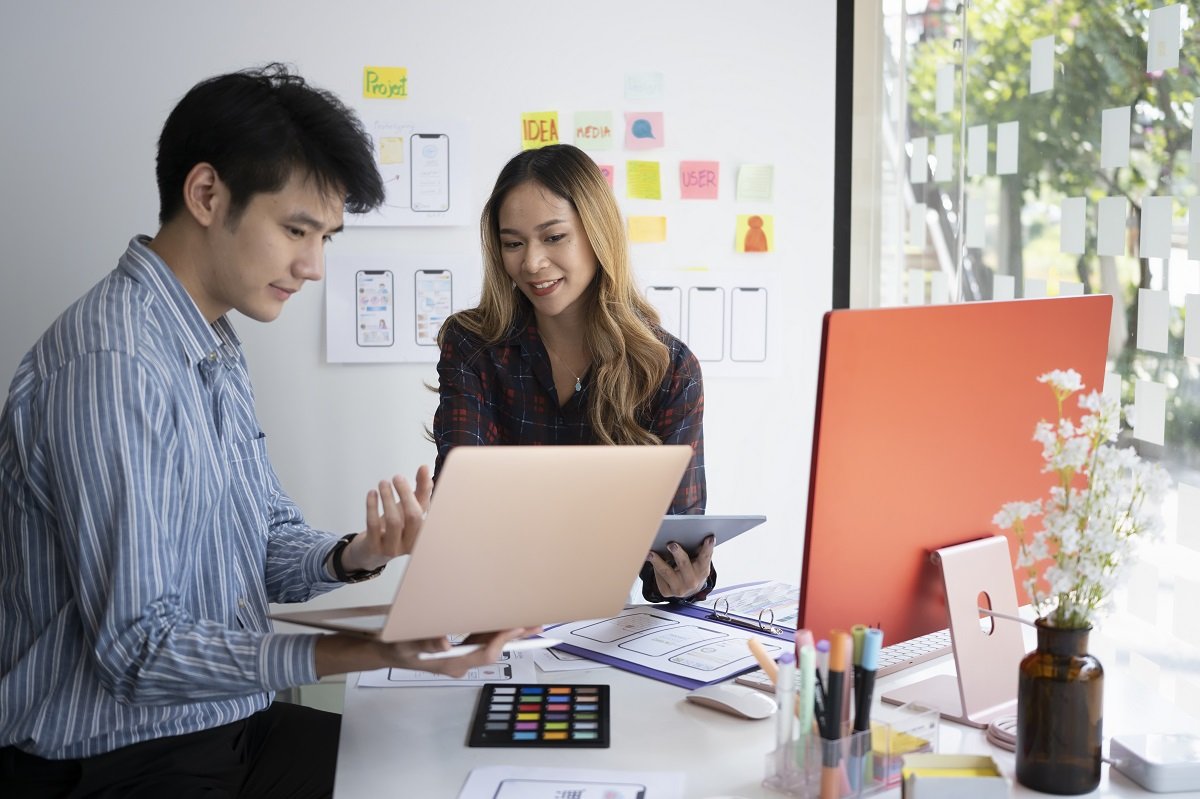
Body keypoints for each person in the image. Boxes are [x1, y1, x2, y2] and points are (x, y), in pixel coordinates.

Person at [0, 64, 527, 798]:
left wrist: (356, 553)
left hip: (230, 728)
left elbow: (260, 540)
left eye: (325, 237)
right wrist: (367, 648)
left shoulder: (210, 341)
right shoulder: (112, 363)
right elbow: (139, 652)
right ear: (207, 194)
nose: (312, 266)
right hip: (120, 762)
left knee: (451, 768)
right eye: (296, 230)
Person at [433, 143, 714, 603]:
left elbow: (676, 536)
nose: (531, 263)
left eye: (554, 237)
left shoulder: (668, 368)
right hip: (490, 603)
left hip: (601, 619)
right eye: (513, 243)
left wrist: (685, 581)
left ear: (596, 234)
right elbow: (460, 503)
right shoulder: (473, 345)